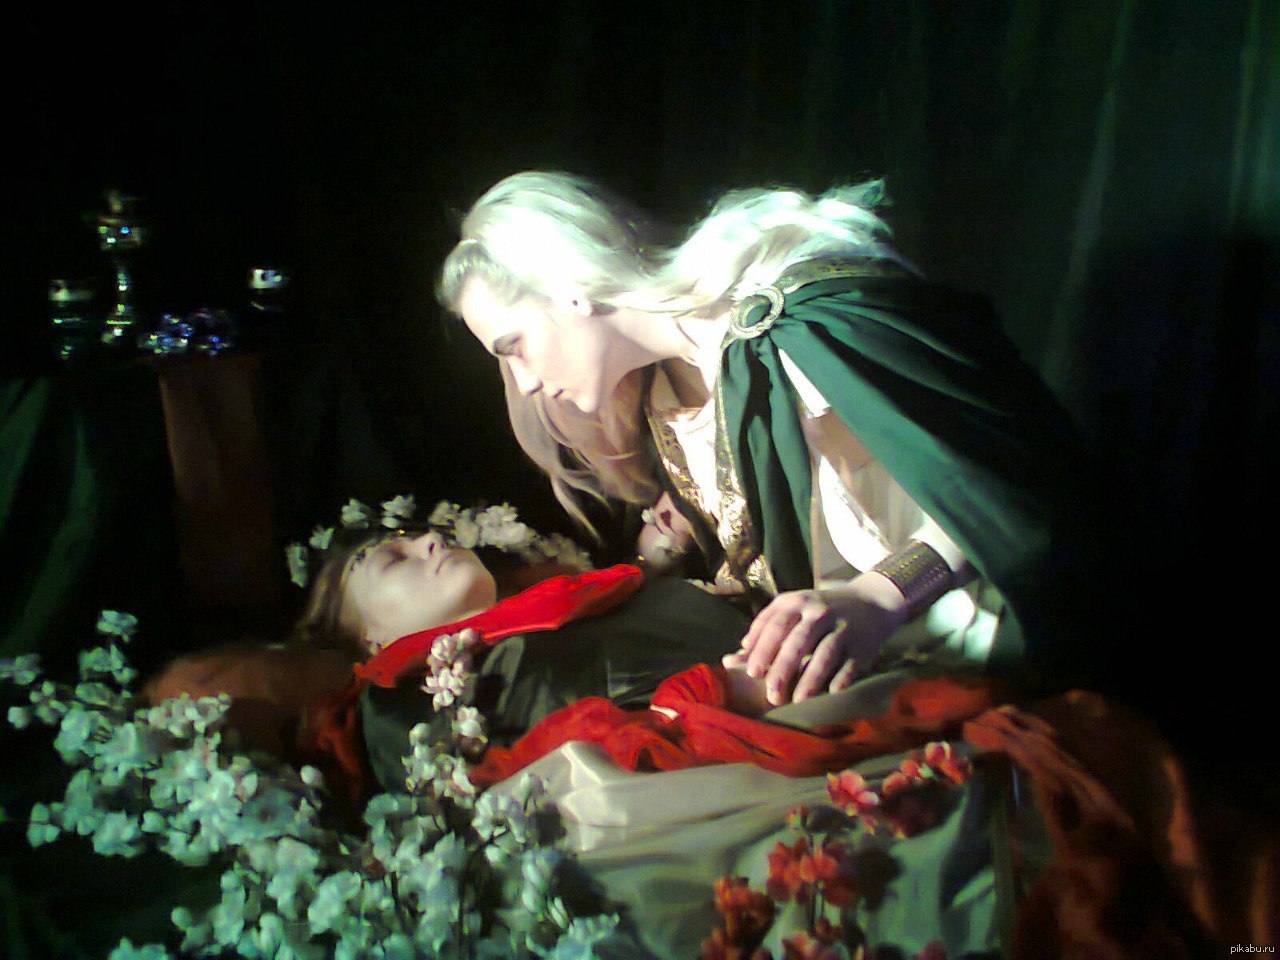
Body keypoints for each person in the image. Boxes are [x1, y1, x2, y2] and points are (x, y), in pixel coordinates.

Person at [438, 172, 1099, 706]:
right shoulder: (663, 391)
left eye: (514, 347)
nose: (524, 382)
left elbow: (1008, 484)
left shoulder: (801, 327)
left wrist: (880, 596)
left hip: (977, 640)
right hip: (855, 664)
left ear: (569, 291)